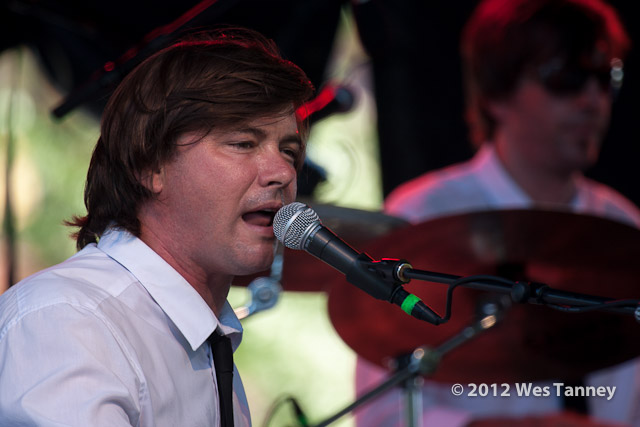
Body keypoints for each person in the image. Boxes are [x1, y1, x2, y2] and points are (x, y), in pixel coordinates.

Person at [0, 28, 314, 425]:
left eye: (288, 151)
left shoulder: (207, 337)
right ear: (150, 165)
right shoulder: (68, 321)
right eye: (243, 144)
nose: (282, 172)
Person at [355, 0, 640, 426]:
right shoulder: (422, 217)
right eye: (566, 77)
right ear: (496, 93)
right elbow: (382, 411)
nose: (593, 100)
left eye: (607, 78)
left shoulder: (624, 226)